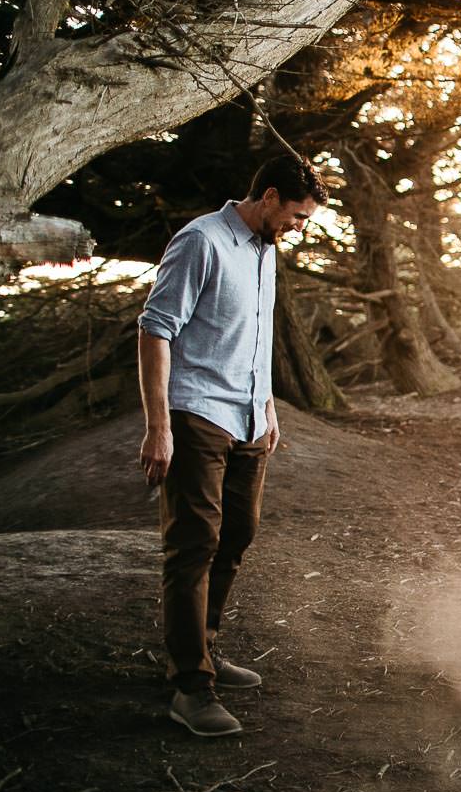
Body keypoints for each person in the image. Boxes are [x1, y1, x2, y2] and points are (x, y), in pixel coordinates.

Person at [136, 153, 328, 737]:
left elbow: (255, 335)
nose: (301, 227)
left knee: (236, 534)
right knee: (193, 545)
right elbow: (155, 330)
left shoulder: (268, 250)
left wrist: (266, 405)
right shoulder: (201, 242)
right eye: (297, 215)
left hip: (247, 418)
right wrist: (159, 426)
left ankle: (203, 647)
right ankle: (190, 688)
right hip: (196, 413)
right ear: (269, 196)